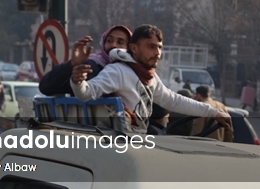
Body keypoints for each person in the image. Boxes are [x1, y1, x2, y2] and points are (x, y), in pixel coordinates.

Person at [71, 24, 231, 134]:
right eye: (151, 47)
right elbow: (86, 93)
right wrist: (78, 81)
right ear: (133, 48)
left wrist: (213, 112)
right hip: (119, 149)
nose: (157, 53)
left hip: (138, 145)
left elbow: (173, 101)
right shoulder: (117, 71)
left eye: (159, 47)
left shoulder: (150, 77)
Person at [39, 25, 132, 96]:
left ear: (130, 48)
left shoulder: (133, 71)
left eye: (120, 42)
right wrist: (71, 65)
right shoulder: (90, 66)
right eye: (109, 40)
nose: (113, 45)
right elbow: (46, 87)